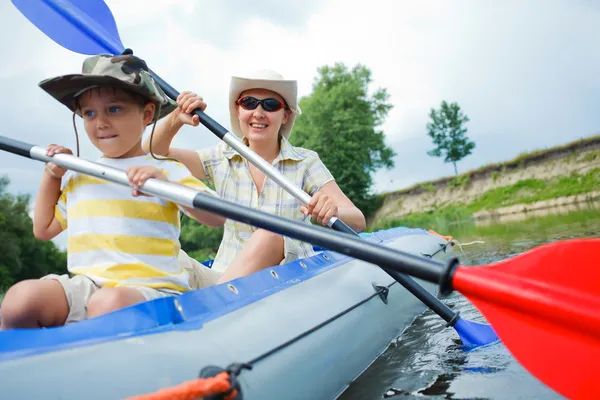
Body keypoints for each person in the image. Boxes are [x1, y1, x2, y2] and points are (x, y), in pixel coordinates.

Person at [0, 54, 225, 329]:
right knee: (20, 300)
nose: (100, 123)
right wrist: (52, 175)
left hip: (151, 291)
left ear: (147, 114)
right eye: (89, 113)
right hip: (88, 287)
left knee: (107, 304)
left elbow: (217, 217)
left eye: (114, 109)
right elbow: (43, 229)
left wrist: (167, 186)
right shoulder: (82, 175)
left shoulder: (164, 169)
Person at [143, 69, 366, 284]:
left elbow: (358, 220)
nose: (258, 113)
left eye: (271, 105)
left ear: (285, 115)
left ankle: (220, 308)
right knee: (164, 253)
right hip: (225, 278)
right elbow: (153, 153)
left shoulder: (305, 162)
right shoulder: (221, 157)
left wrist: (332, 211)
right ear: (238, 110)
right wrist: (176, 118)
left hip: (290, 279)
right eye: (249, 103)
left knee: (269, 233)